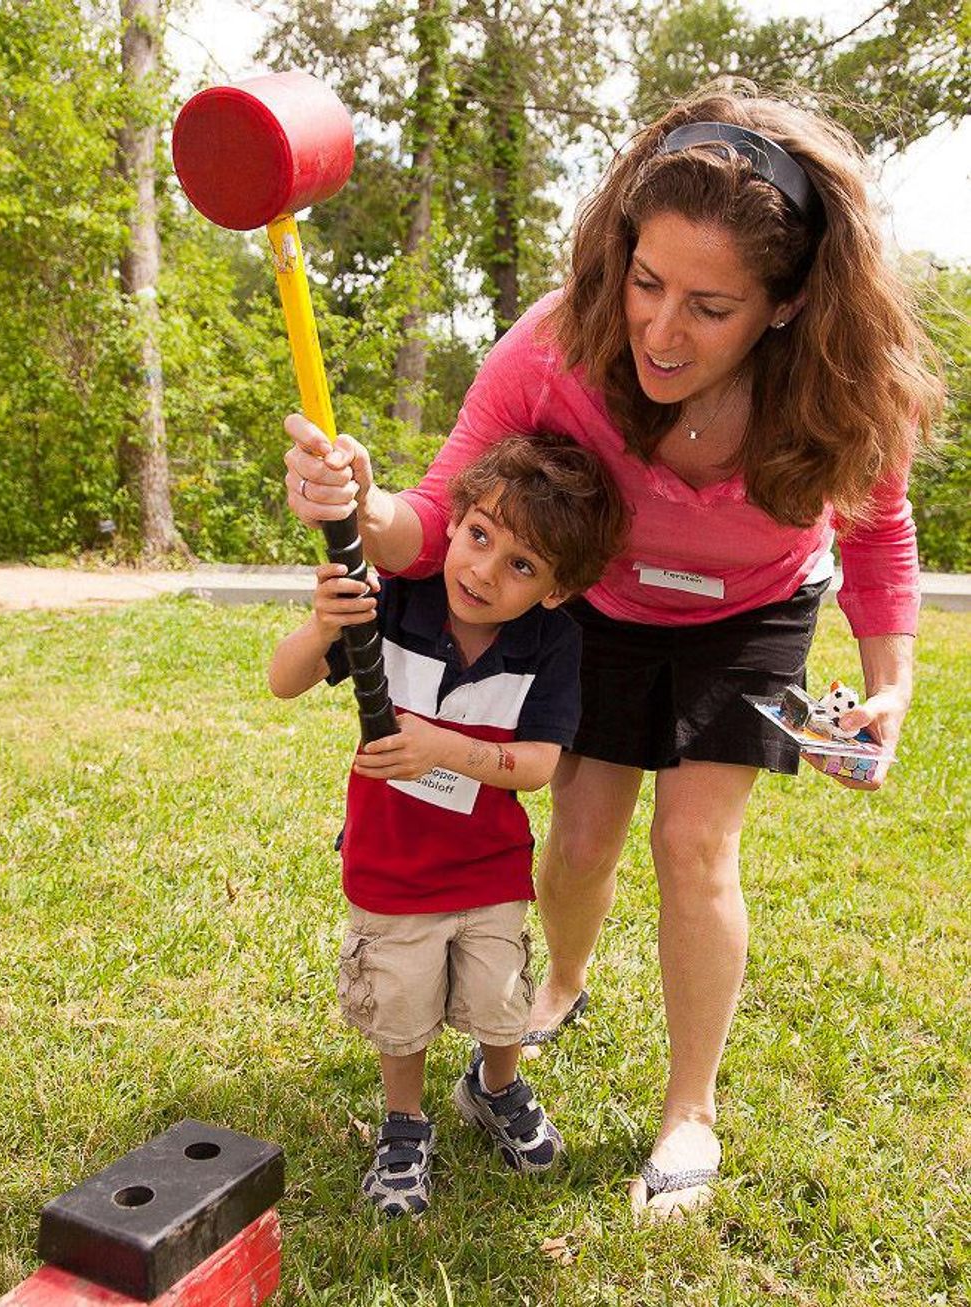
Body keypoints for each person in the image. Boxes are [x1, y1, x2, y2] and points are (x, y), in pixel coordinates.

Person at [281, 81, 943, 1218]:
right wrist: (360, 496)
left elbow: (875, 530)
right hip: (601, 606)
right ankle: (567, 981)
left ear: (784, 307)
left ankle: (690, 1109)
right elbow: (439, 513)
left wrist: (889, 679)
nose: (659, 328)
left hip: (750, 613)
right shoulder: (556, 343)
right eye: (646, 281)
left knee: (692, 841)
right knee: (581, 834)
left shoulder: (840, 385)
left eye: (709, 305)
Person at [270, 433, 627, 1217]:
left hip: (491, 867)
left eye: (522, 566)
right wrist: (324, 628)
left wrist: (443, 747)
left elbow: (536, 764)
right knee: (400, 1004)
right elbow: (281, 680)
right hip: (390, 862)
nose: (483, 571)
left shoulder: (554, 643)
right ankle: (404, 1123)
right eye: (478, 537)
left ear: (559, 589)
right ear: (457, 519)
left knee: (501, 998)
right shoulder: (395, 601)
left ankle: (494, 1085)